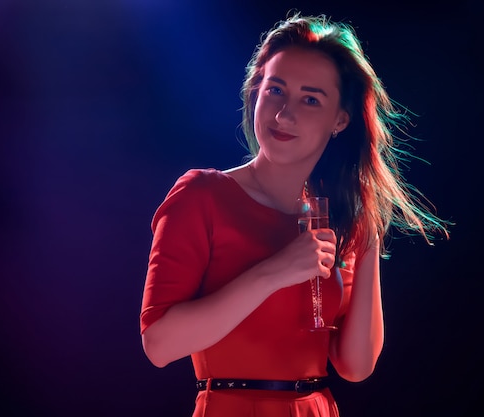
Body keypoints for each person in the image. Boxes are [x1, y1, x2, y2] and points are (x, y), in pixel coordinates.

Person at [140, 12, 450, 417]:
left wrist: (369, 231)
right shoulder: (201, 196)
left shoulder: (336, 219)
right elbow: (159, 345)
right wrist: (277, 271)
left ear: (341, 119)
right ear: (256, 92)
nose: (284, 114)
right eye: (275, 91)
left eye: (310, 99)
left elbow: (355, 366)